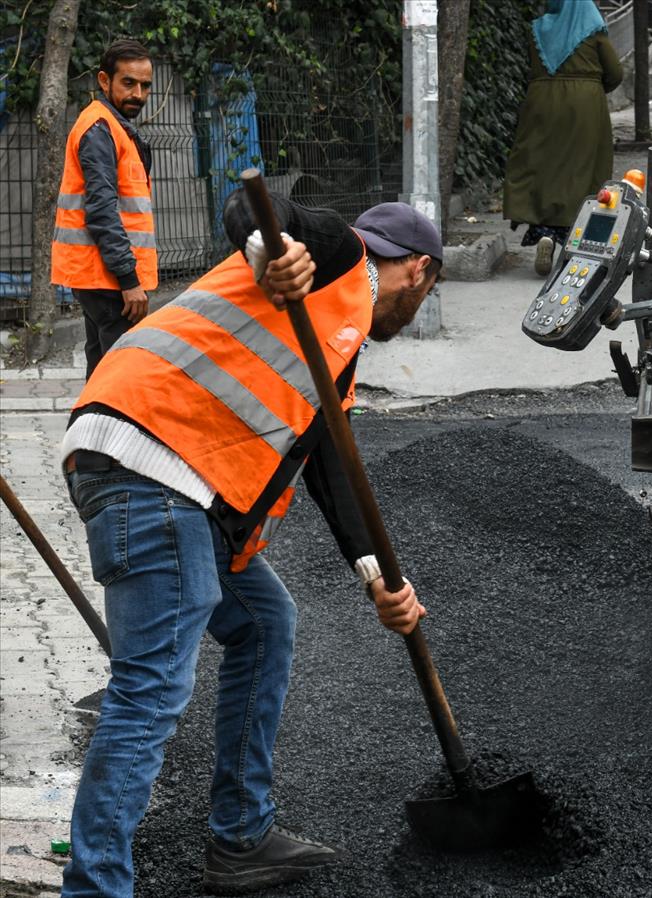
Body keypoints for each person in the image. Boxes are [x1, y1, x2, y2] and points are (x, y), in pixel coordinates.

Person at [58, 194, 444, 898]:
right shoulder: (343, 257)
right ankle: (95, 887)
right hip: (153, 456)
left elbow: (330, 460)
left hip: (166, 471)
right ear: (419, 271)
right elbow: (256, 204)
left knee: (266, 621)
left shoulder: (336, 347)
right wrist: (276, 253)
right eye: (425, 289)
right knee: (150, 689)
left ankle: (241, 836)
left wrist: (380, 579)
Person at [51, 39, 156, 377]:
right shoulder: (100, 128)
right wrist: (129, 279)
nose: (138, 94)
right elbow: (101, 212)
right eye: (129, 83)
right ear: (103, 80)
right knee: (120, 380)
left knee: (101, 374)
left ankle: (80, 430)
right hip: (108, 278)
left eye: (145, 85)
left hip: (98, 275)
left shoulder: (109, 126)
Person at [503, 0, 623, 276]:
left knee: (540, 165)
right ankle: (573, 241)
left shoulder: (538, 30)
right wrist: (592, 86)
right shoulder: (592, 29)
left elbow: (529, 68)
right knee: (581, 169)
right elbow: (615, 73)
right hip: (584, 104)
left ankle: (545, 233)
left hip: (541, 100)